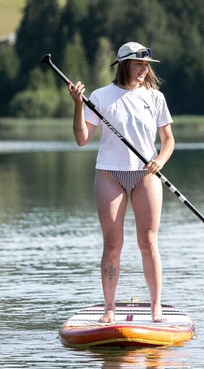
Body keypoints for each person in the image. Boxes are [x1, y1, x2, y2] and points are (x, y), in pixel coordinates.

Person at [67, 41, 175, 323]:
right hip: (109, 175)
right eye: (139, 64)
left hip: (146, 175)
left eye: (146, 65)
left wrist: (160, 161)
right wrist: (79, 105)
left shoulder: (155, 98)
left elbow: (168, 140)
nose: (144, 70)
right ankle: (110, 308)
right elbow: (81, 139)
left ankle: (156, 306)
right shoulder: (101, 97)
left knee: (148, 241)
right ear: (125, 65)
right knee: (112, 244)